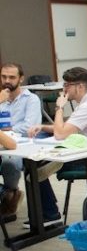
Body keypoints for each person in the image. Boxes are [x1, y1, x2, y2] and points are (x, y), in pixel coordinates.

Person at [27, 67, 87, 226]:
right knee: (35, 164)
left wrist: (59, 107)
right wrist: (42, 127)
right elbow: (66, 128)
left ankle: (50, 214)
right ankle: (48, 210)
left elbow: (60, 135)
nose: (64, 89)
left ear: (80, 87)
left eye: (68, 85)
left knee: (33, 168)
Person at [0, 62, 41, 219]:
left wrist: (7, 132)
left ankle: (10, 195)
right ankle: (9, 196)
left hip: (22, 147)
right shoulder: (1, 99)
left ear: (21, 79)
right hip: (3, 144)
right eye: (4, 77)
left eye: (12, 77)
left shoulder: (31, 99)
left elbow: (29, 126)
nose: (7, 81)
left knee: (9, 162)